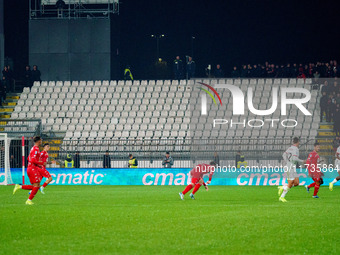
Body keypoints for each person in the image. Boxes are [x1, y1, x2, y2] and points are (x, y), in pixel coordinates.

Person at [13, 136, 44, 205]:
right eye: (41, 140)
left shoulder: (34, 148)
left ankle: (20, 187)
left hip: (32, 168)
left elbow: (28, 158)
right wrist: (40, 163)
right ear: (39, 141)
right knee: (36, 186)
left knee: (36, 186)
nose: (41, 142)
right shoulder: (36, 149)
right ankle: (28, 200)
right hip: (32, 169)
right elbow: (32, 160)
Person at [278, 137, 306, 202]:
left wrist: (287, 161)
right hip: (290, 166)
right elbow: (294, 158)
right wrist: (303, 161)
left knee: (296, 183)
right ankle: (282, 197)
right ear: (298, 142)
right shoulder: (296, 149)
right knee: (290, 183)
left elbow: (284, 154)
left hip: (292, 166)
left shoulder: (290, 148)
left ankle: (283, 187)